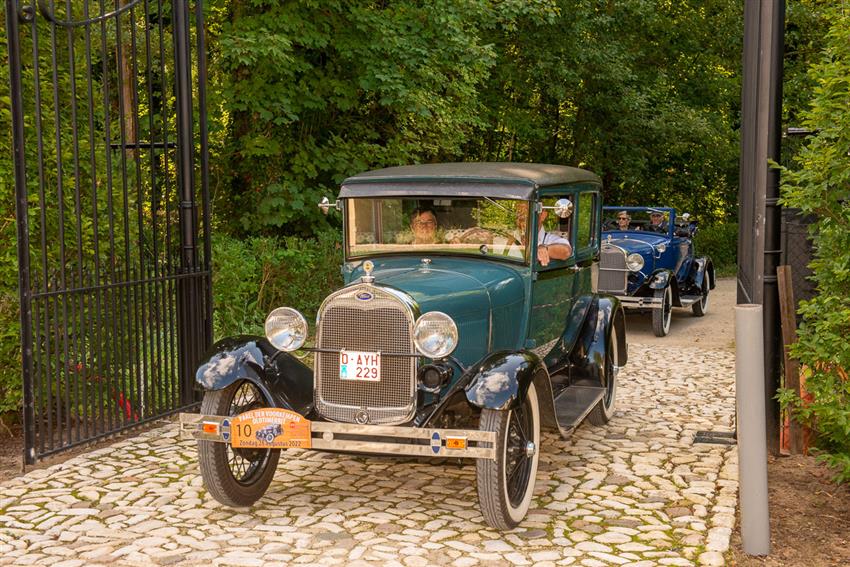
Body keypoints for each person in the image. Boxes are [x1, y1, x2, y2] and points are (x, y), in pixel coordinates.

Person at [515, 202, 572, 266]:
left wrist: (544, 249)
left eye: (527, 212)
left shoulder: (550, 239)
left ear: (543, 215)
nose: (522, 217)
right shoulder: (512, 236)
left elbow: (566, 251)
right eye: (519, 213)